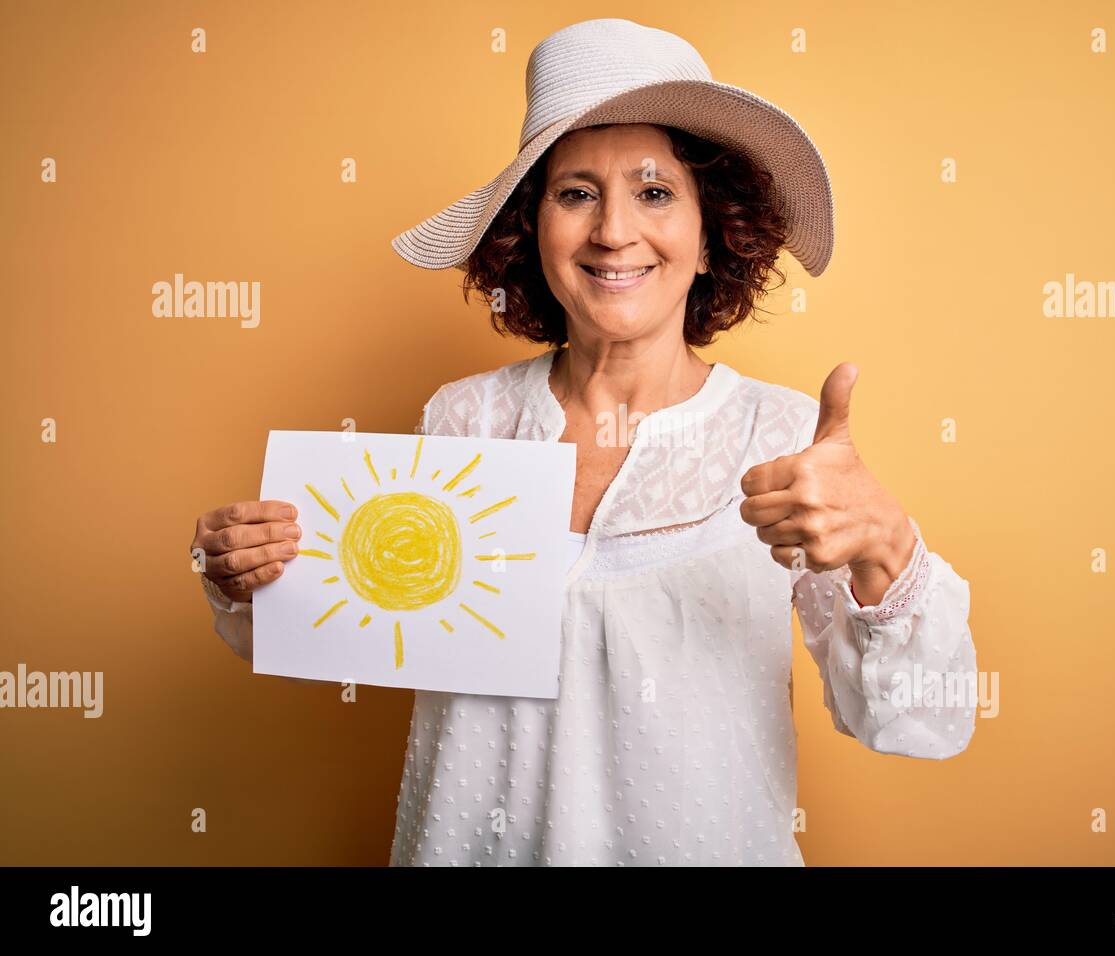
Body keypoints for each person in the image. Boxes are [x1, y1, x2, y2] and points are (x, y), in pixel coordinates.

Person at [191, 18, 977, 867]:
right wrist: (243, 573)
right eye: (574, 193)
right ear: (532, 231)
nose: (612, 231)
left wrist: (886, 548)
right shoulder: (464, 421)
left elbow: (919, 722)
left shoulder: (779, 438)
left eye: (654, 192)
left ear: (712, 233)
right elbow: (319, 620)